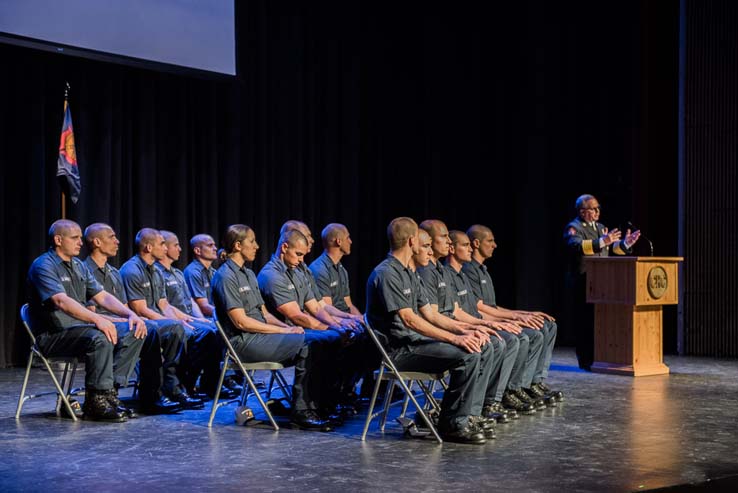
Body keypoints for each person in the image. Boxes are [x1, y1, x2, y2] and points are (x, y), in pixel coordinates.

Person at [366, 217, 495, 444]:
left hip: (413, 343)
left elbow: (431, 315)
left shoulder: (409, 272)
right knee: (468, 356)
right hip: (399, 352)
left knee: (478, 347)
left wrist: (465, 333)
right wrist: (456, 340)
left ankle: (463, 416)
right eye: (421, 241)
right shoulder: (387, 273)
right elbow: (409, 320)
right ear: (412, 241)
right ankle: (452, 424)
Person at [211, 224, 331, 431]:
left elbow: (264, 314)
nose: (257, 246)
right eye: (252, 241)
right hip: (242, 343)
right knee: (309, 344)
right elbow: (241, 322)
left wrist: (289, 327)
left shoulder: (248, 274)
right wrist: (284, 331)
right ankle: (301, 411)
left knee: (318, 338)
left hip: (259, 337)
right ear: (238, 246)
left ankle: (315, 404)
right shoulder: (225, 276)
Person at [26, 219, 146, 422]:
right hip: (53, 335)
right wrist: (97, 319)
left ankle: (109, 393)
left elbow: (103, 296)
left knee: (134, 330)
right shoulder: (43, 265)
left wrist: (130, 314)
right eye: (75, 238)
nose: (81, 242)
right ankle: (95, 401)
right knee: (100, 336)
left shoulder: (78, 267)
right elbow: (61, 301)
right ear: (58, 240)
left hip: (79, 329)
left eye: (81, 238)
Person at [418, 220, 528, 419]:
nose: (449, 243)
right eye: (444, 238)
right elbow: (432, 316)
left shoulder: (441, 271)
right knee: (489, 344)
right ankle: (471, 410)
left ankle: (480, 406)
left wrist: (488, 324)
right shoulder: (426, 272)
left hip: (451, 325)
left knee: (499, 339)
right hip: (436, 333)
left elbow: (457, 311)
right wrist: (464, 332)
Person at [257, 228, 355, 423]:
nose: (301, 259)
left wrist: (339, 324)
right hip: (280, 335)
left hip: (297, 331)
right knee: (318, 342)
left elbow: (316, 307)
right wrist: (331, 329)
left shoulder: (296, 272)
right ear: (284, 247)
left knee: (342, 338)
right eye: (298, 254)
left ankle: (325, 401)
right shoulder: (272, 274)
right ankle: (302, 408)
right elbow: (296, 316)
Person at [83, 223, 182, 415]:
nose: (117, 241)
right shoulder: (86, 270)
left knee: (148, 328)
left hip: (118, 324)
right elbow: (91, 312)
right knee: (144, 329)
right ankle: (109, 392)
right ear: (97, 242)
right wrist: (128, 320)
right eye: (112, 237)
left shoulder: (113, 272)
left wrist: (132, 318)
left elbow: (126, 307)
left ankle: (152, 393)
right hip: (99, 325)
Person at [464, 224, 564, 404]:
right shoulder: (469, 270)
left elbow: (493, 306)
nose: (495, 245)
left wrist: (524, 313)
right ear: (477, 243)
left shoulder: (483, 270)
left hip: (491, 316)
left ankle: (534, 381)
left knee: (548, 325)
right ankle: (512, 388)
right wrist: (514, 318)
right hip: (480, 321)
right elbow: (479, 308)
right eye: (490, 241)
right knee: (527, 336)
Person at [119, 228, 205, 408]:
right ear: (149, 247)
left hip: (157, 320)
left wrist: (179, 319)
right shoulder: (131, 269)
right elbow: (139, 308)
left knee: (196, 331)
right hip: (143, 321)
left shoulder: (155, 271)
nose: (165, 248)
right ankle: (167, 389)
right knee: (176, 329)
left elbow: (164, 304)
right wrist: (172, 323)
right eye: (161, 244)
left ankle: (179, 387)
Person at [564, 194, 640, 370]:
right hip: (583, 282)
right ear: (583, 211)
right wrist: (603, 241)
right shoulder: (574, 227)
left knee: (600, 322)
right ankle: (586, 361)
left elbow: (609, 249)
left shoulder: (600, 227)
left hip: (602, 283)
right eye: (593, 208)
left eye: (598, 208)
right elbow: (576, 246)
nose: (598, 211)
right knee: (585, 322)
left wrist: (625, 244)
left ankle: (601, 358)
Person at [157, 230, 231, 399]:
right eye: (175, 245)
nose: (180, 249)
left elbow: (191, 301)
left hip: (188, 317)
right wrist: (184, 319)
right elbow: (163, 305)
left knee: (214, 329)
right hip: (171, 320)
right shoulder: (161, 272)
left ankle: (212, 382)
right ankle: (185, 381)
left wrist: (202, 319)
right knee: (205, 333)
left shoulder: (177, 273)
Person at [184, 234, 218, 318]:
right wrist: (227, 315)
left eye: (214, 245)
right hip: (203, 319)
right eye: (210, 245)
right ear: (197, 251)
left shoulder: (214, 272)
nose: (215, 248)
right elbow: (203, 307)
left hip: (214, 316)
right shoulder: (193, 272)